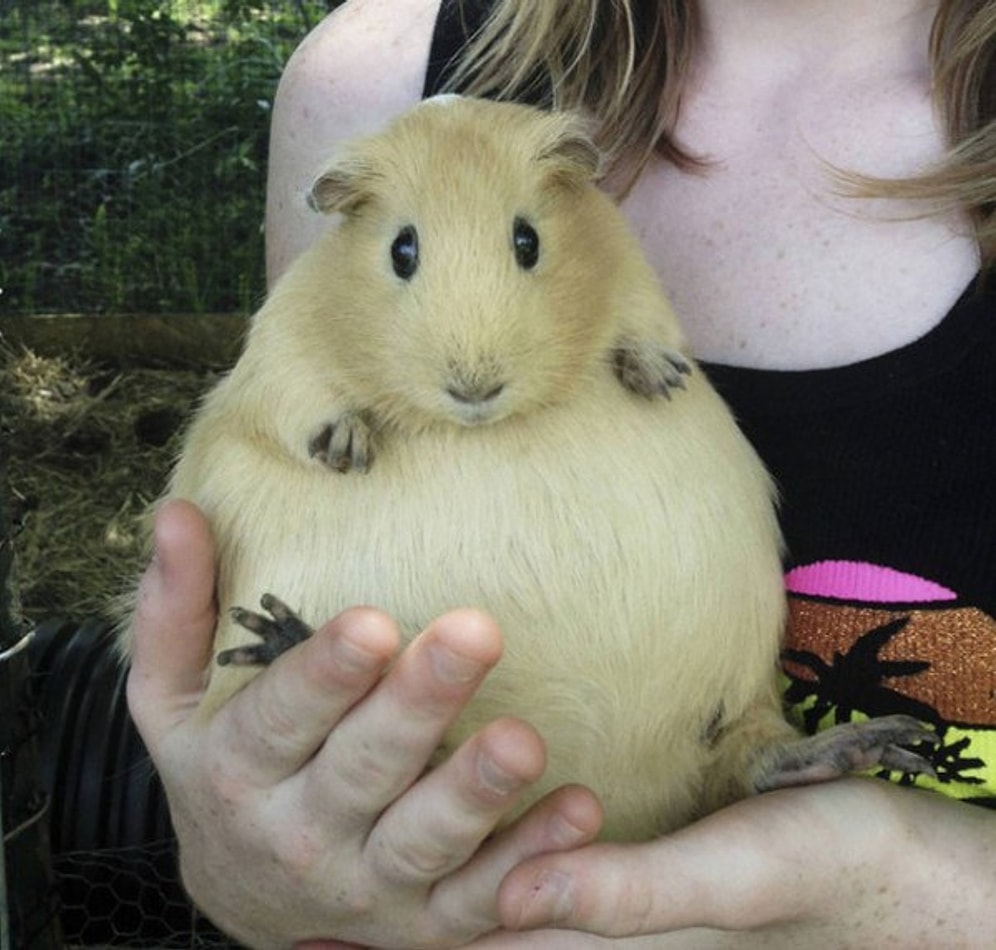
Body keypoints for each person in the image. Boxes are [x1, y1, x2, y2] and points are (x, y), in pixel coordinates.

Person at [126, 0, 996, 946]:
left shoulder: (590, 239)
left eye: (526, 248)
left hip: (699, 755)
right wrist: (253, 861)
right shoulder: (370, 86)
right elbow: (291, 478)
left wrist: (899, 883)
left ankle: (746, 746)